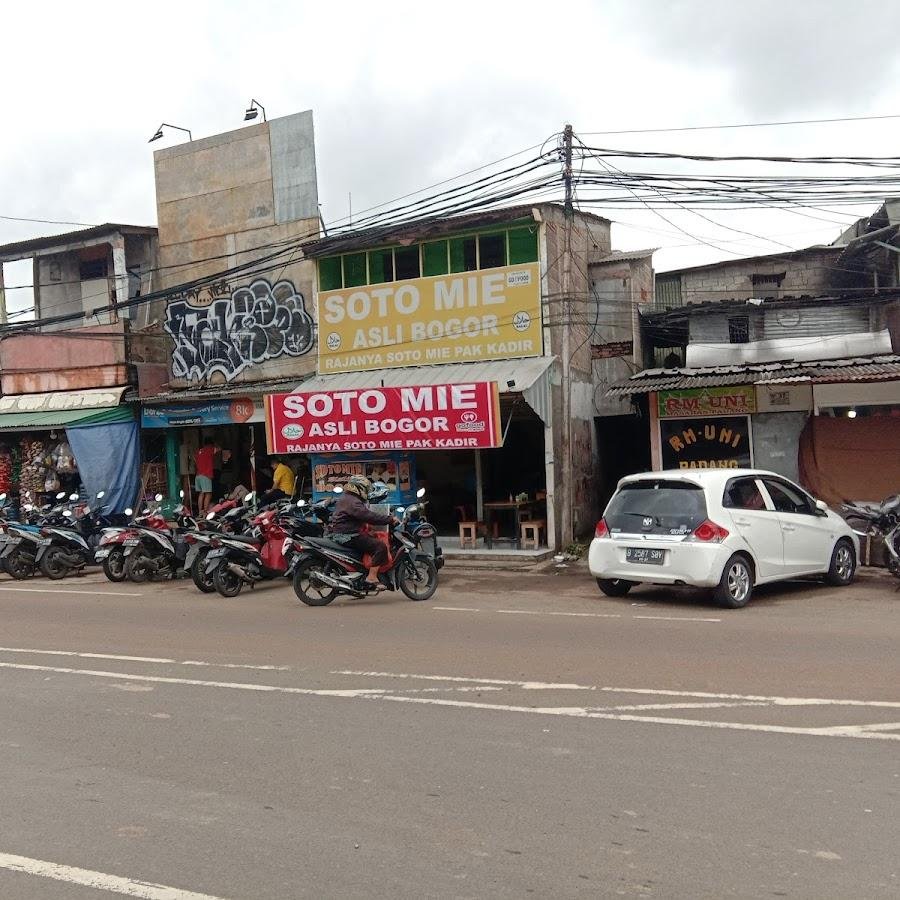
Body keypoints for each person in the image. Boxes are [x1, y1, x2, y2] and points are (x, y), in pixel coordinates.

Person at [330, 475, 398, 592]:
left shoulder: (347, 498)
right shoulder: (354, 502)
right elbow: (369, 516)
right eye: (365, 489)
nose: (366, 492)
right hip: (349, 535)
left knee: (370, 539)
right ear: (358, 488)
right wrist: (389, 519)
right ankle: (371, 578)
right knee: (380, 546)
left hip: (342, 533)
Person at [194, 436, 218, 515]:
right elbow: (219, 449)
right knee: (208, 493)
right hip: (205, 475)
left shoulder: (199, 450)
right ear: (211, 443)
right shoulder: (210, 449)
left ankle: (200, 511)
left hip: (198, 475)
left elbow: (195, 459)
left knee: (201, 493)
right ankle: (205, 511)